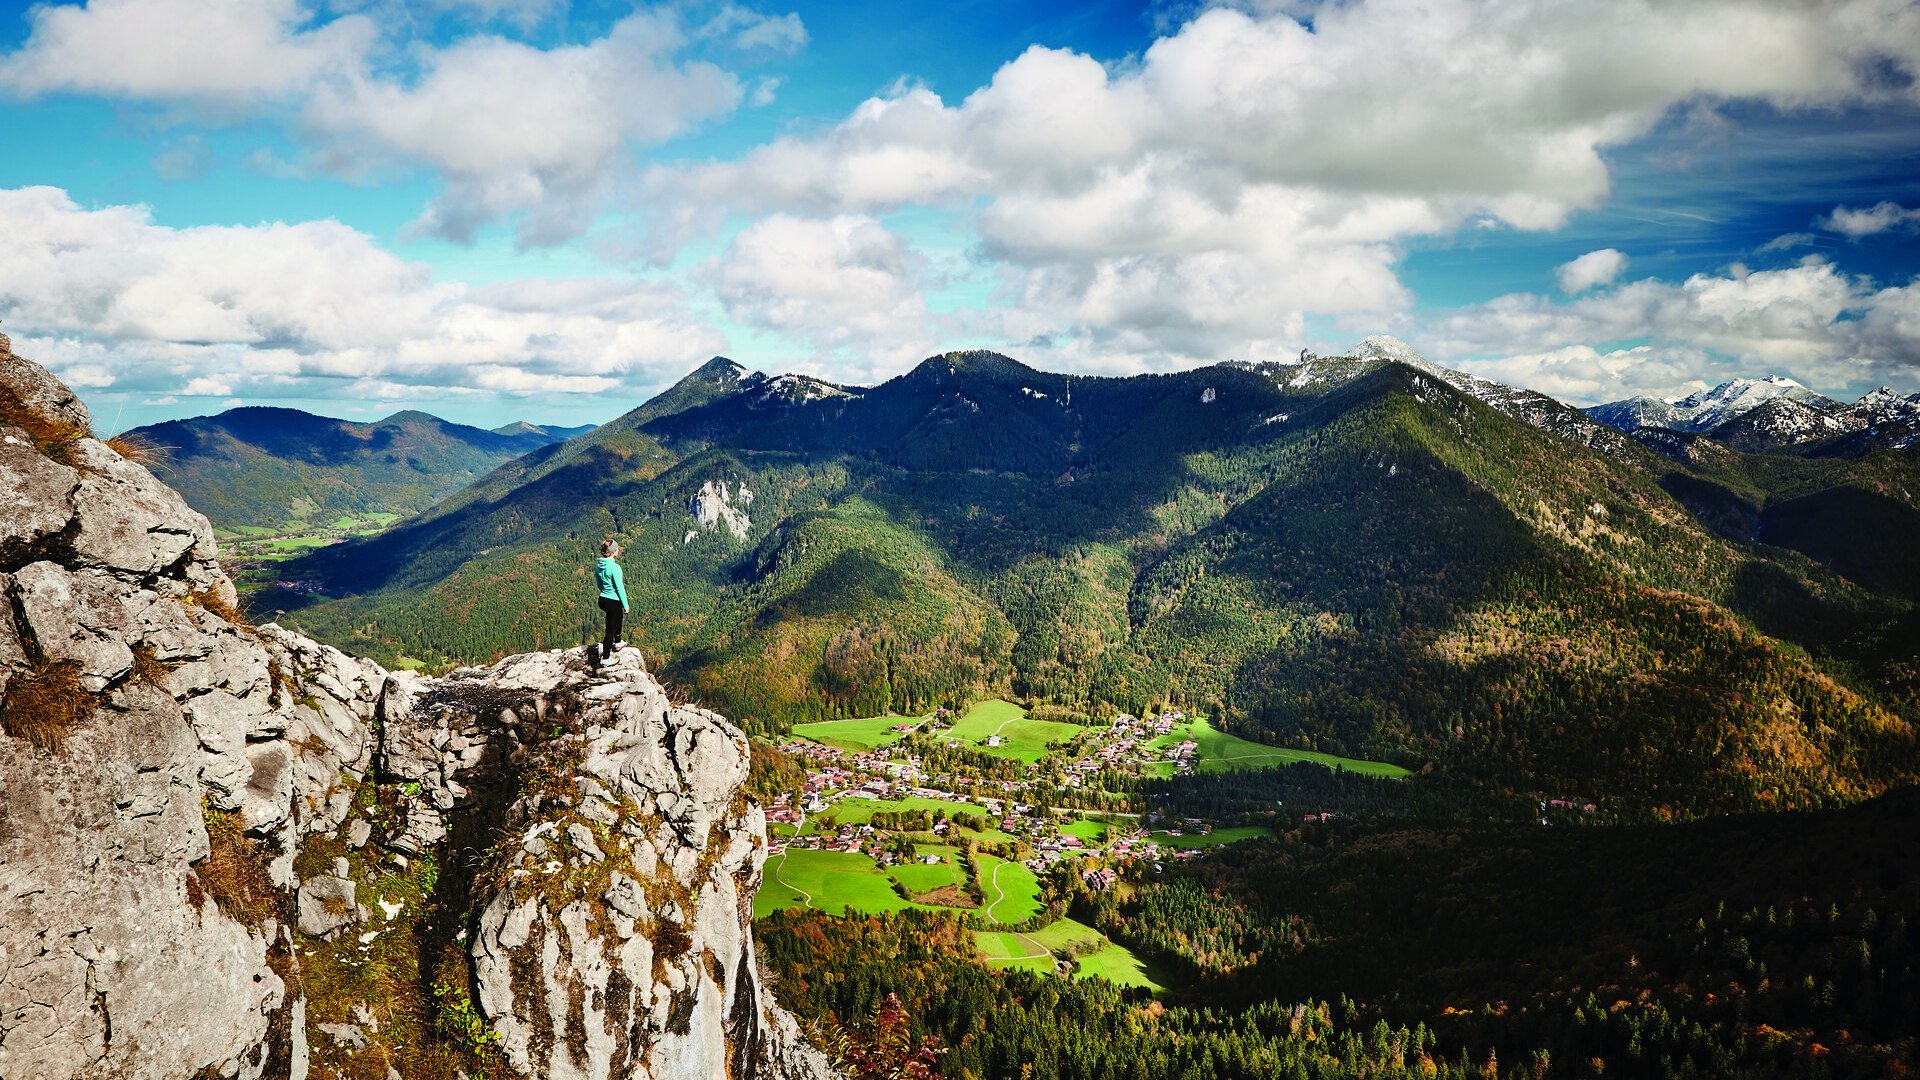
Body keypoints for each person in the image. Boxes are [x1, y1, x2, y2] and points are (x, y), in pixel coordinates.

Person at [594, 538, 630, 657]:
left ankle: (618, 642)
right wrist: (626, 605)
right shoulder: (615, 568)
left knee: (617, 617)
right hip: (612, 601)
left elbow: (599, 584)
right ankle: (606, 657)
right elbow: (620, 588)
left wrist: (606, 591)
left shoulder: (598, 566)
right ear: (614, 551)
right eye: (617, 548)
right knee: (610, 629)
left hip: (603, 599)